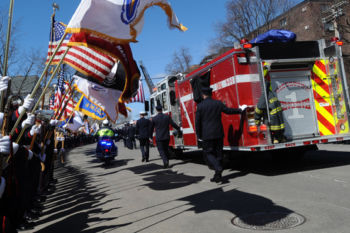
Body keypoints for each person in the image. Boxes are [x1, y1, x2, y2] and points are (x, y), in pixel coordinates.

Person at [195, 87, 247, 183]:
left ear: (203, 95)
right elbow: (228, 111)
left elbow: (197, 122)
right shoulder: (218, 103)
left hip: (207, 134)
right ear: (211, 94)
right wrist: (240, 110)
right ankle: (217, 176)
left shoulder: (200, 106)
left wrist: (199, 135)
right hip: (219, 133)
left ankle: (218, 168)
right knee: (218, 154)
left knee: (209, 153)